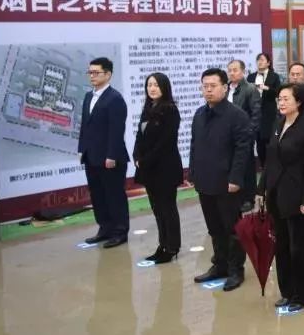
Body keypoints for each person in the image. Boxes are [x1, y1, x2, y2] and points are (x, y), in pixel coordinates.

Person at [258, 82, 304, 313]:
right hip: (276, 193)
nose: (281, 103)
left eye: (286, 99)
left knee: (298, 247)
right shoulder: (278, 124)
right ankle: (287, 291)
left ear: (298, 102)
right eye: (279, 99)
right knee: (281, 246)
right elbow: (270, 160)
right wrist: (261, 189)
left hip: (296, 194)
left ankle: (302, 294)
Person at [191, 68, 252, 291]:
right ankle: (220, 265)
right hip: (205, 181)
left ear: (225, 88)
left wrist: (235, 178)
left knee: (232, 228)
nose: (208, 90)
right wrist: (193, 173)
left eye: (213, 86)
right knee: (214, 228)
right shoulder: (199, 114)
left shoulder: (237, 115)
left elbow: (243, 151)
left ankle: (236, 270)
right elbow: (195, 146)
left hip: (228, 183)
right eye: (204, 86)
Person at [78, 57, 130, 248]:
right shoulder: (88, 97)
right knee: (97, 195)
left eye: (96, 72)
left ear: (108, 74)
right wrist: (81, 149)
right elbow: (85, 126)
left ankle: (120, 232)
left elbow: (117, 130)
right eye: (90, 72)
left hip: (110, 158)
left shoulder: (115, 99)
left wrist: (112, 155)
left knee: (114, 195)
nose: (92, 76)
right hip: (91, 155)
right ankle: (105, 228)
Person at [133, 72, 183, 264]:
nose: (152, 88)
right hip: (148, 168)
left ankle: (172, 247)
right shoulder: (148, 108)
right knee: (156, 208)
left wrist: (145, 160)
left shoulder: (170, 110)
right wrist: (137, 155)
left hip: (165, 168)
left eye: (155, 85)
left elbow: (165, 142)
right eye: (149, 85)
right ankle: (162, 244)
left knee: (167, 208)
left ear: (164, 87)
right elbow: (140, 135)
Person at [227, 59, 261, 212]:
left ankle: (249, 198)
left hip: (244, 135)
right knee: (234, 166)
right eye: (230, 70)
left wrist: (250, 134)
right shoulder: (226, 89)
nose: (232, 73)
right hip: (228, 137)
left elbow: (256, 114)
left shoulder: (250, 89)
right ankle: (236, 196)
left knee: (247, 167)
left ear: (243, 72)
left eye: (235, 70)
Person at [247, 53, 282, 167]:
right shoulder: (251, 77)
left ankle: (271, 166)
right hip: (255, 113)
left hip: (269, 113)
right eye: (258, 60)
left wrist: (265, 88)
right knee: (258, 142)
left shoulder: (274, 76)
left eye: (262, 60)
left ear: (268, 62)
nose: (259, 62)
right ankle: (263, 166)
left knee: (268, 140)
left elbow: (278, 92)